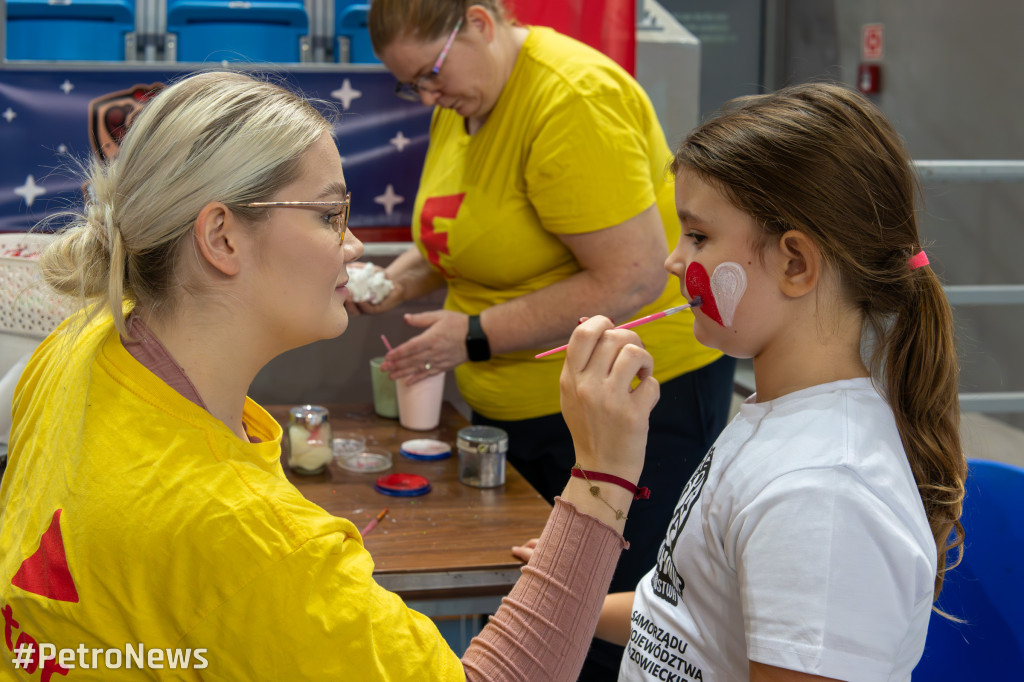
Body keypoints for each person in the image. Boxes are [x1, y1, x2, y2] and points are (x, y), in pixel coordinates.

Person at [0, 70, 660, 680]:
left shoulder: (81, 345)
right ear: (222, 238)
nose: (355, 244)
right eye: (327, 215)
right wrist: (602, 474)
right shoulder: (250, 541)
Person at [361, 4, 735, 673]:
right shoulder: (466, 96)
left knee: (601, 628)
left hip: (635, 403)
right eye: (409, 84)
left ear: (479, 21)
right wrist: (385, 285)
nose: (425, 97)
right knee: (544, 617)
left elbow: (633, 276)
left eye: (430, 74)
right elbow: (460, 240)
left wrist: (474, 335)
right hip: (528, 414)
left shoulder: (570, 101)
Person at [559, 82, 966, 680]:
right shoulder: (776, 419)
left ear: (795, 263)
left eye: (697, 236)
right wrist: (563, 593)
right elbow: (682, 614)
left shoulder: (823, 492)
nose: (674, 260)